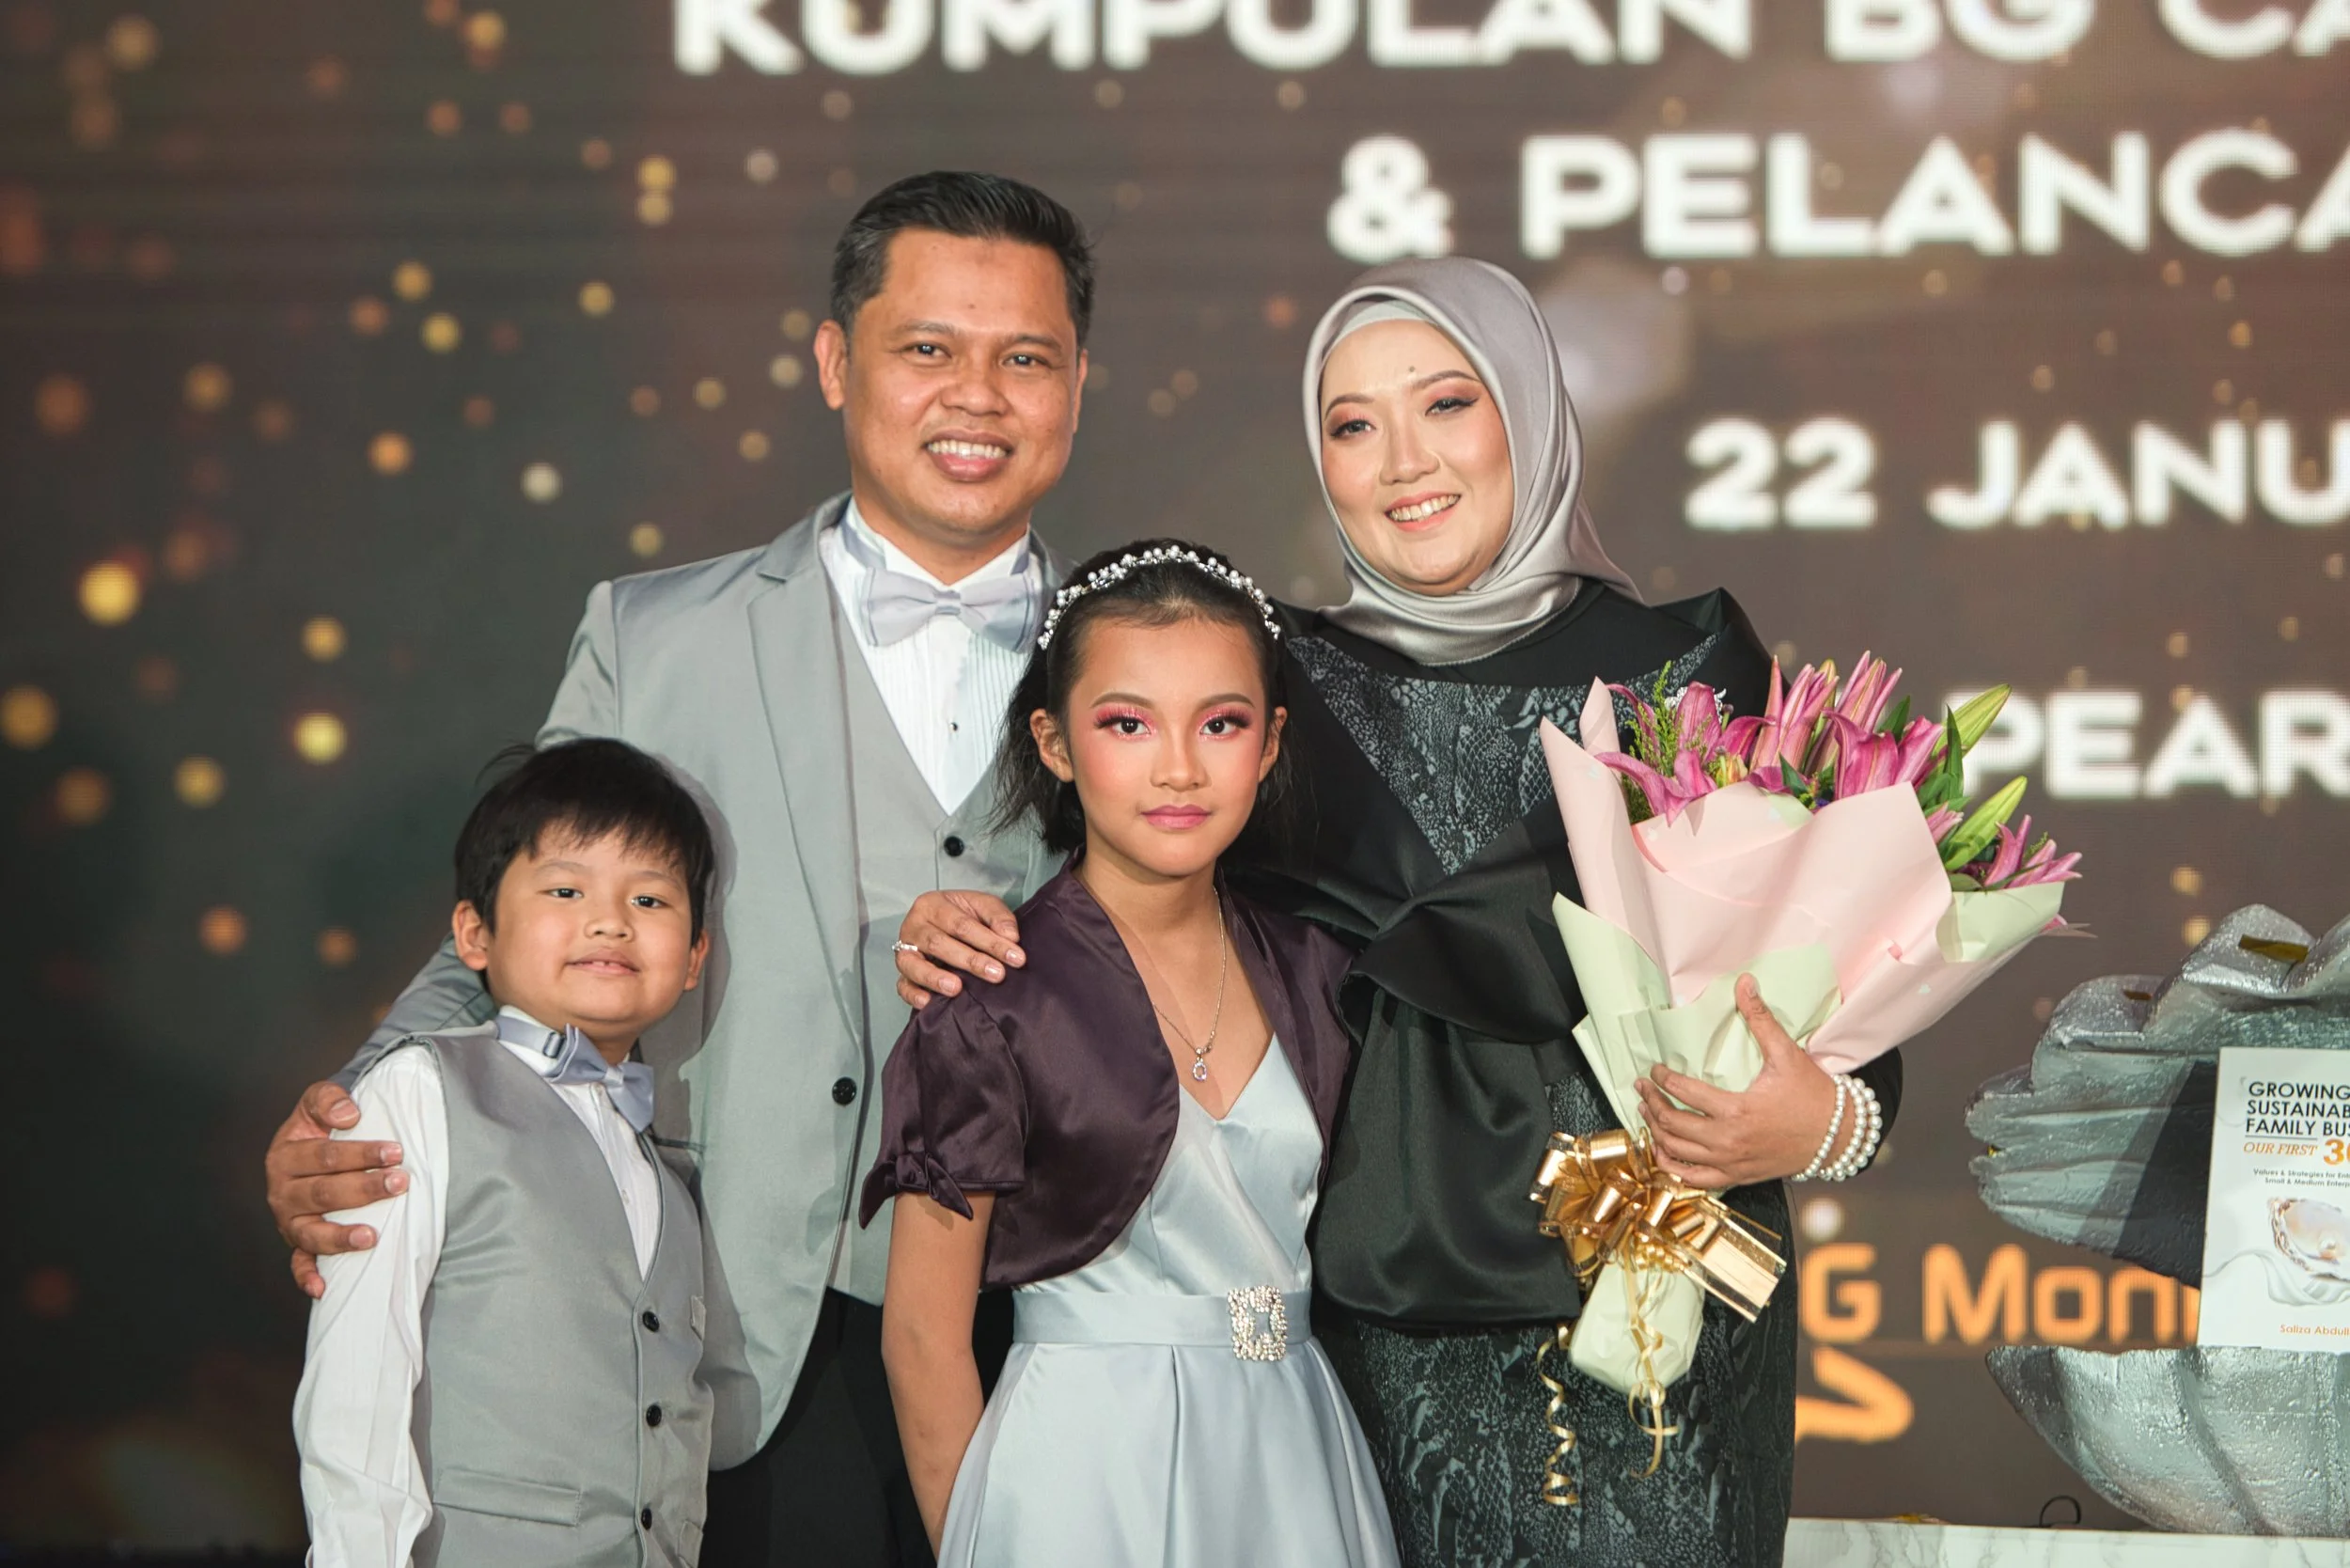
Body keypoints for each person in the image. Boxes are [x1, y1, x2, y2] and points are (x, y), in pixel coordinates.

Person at [893, 258, 1904, 1567]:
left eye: (1446, 405)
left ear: (1532, 415)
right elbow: (1118, 913)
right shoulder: (1279, 694)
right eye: (1352, 424)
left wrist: (1826, 1117)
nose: (1401, 462)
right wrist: (964, 924)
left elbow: (1842, 980)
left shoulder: (1688, 670)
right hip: (1369, 1361)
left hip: (1664, 1340)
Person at [265, 170, 1091, 1568]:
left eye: (1025, 359)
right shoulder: (656, 636)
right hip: (732, 1316)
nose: (978, 397)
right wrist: (366, 1121)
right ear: (836, 362)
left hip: (1062, 1307)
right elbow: (536, 914)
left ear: (1079, 383)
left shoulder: (1147, 661)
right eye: (927, 351)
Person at [861, 541, 1398, 1567]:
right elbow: (923, 1340)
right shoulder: (988, 994)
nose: (1179, 768)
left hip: (1288, 1446)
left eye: (1221, 723)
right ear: (1054, 742)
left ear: (1271, 742)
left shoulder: (1321, 972)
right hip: (1078, 1464)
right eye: (1126, 723)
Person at [294, 738, 760, 1566]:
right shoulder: (421, 1089)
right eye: (566, 888)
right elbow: (359, 1377)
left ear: (695, 959)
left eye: (651, 899)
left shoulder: (668, 1174)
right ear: (474, 933)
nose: (610, 919)